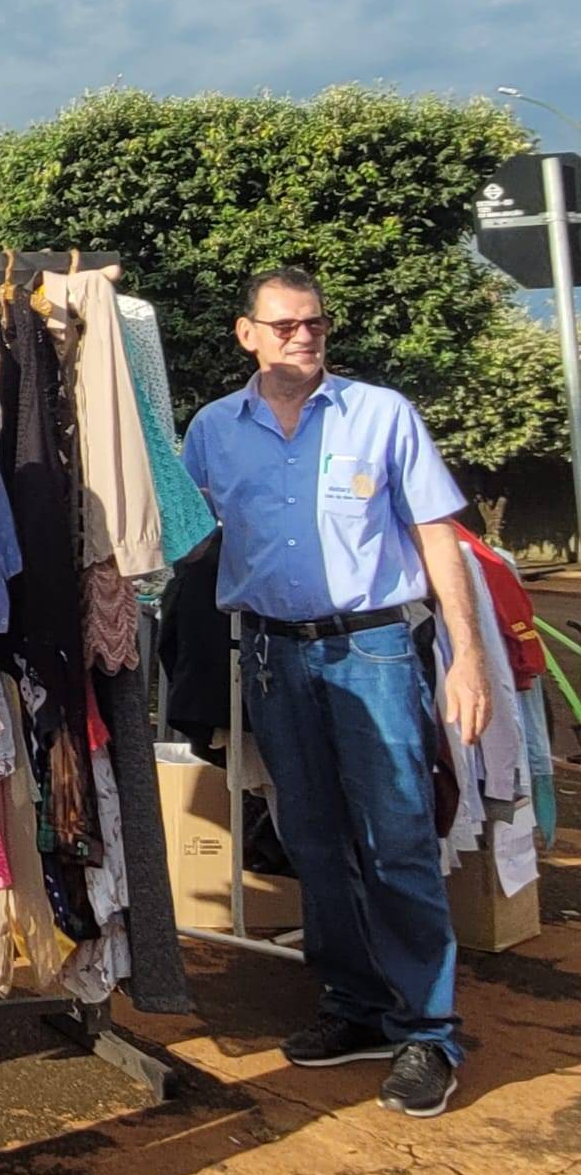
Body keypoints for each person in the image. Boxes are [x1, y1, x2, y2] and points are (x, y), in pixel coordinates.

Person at [182, 265, 492, 1119]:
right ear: (247, 334)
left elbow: (439, 537)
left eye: (314, 324)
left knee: (395, 838)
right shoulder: (212, 431)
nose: (304, 337)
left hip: (376, 649)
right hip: (275, 658)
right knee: (312, 840)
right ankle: (355, 1009)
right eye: (284, 326)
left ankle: (428, 1031)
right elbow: (176, 531)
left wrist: (466, 656)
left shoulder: (381, 414)